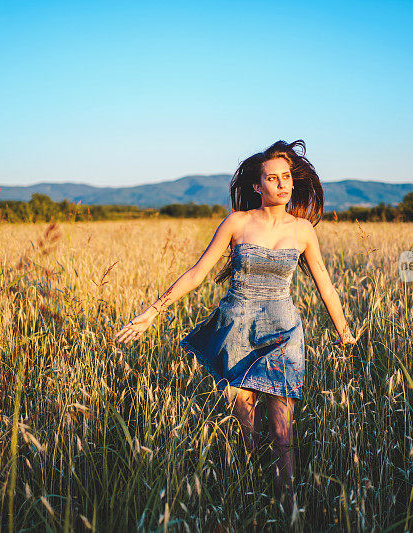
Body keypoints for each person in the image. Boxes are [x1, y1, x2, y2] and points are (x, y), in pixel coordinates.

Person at [114, 139, 356, 516]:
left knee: (281, 433)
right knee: (248, 432)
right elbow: (197, 273)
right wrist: (153, 311)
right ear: (257, 186)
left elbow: (324, 281)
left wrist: (343, 330)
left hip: (283, 332)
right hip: (237, 330)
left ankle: (287, 512)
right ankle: (249, 499)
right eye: (272, 178)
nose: (281, 184)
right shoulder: (238, 223)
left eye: (286, 177)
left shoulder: (303, 230)